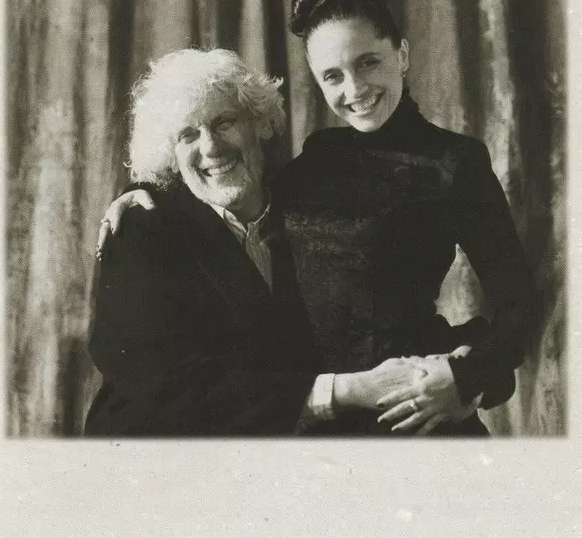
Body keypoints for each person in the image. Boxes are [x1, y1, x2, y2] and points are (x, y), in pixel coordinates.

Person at [97, 0, 536, 436]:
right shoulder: (317, 158)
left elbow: (520, 303)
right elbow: (223, 180)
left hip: (410, 406)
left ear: (403, 54)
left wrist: (467, 378)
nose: (355, 90)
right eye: (333, 75)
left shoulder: (456, 162)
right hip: (313, 414)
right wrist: (142, 190)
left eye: (368, 62)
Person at [85, 48, 434, 436]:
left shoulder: (305, 210)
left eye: (224, 123)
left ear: (261, 124)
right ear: (171, 155)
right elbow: (165, 383)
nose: (211, 148)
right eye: (188, 135)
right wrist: (343, 391)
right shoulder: (142, 229)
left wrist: (456, 374)